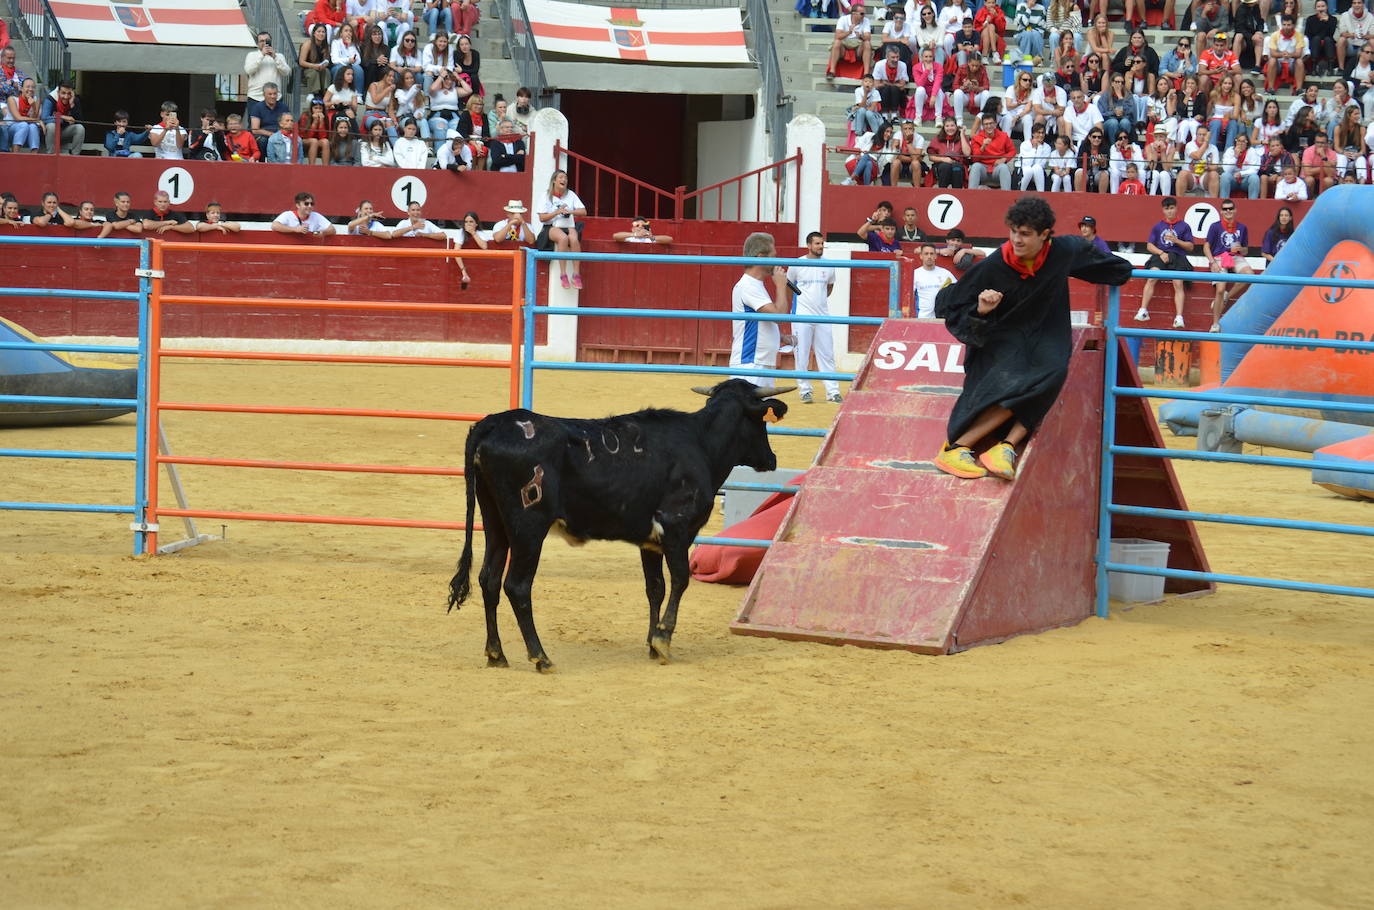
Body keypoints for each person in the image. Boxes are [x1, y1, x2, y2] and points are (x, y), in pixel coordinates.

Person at [933, 196, 1131, 481]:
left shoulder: (1064, 251)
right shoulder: (994, 265)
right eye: (1014, 231)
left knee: (1054, 371)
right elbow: (950, 307)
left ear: (1045, 235)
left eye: (1025, 234)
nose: (1017, 239)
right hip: (1001, 337)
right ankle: (955, 448)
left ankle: (1005, 447)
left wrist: (1130, 271)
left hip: (1046, 333)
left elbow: (1111, 266)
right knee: (1022, 377)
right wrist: (980, 309)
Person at [730, 232, 792, 386]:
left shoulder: (754, 285)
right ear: (760, 257)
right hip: (751, 363)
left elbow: (759, 321)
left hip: (759, 361)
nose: (776, 261)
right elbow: (779, 317)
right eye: (773, 256)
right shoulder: (749, 286)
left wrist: (780, 337)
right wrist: (780, 286)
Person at [787, 231, 842, 404]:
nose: (820, 247)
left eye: (821, 243)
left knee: (827, 354)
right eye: (817, 243)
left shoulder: (829, 264)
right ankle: (805, 391)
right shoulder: (797, 264)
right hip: (802, 316)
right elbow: (787, 285)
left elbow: (830, 287)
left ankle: (833, 392)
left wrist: (819, 302)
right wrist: (793, 310)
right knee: (801, 354)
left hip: (823, 316)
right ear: (809, 245)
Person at [1135, 196, 1195, 328]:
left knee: (1178, 283)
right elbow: (1149, 246)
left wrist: (1176, 241)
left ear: (1176, 208)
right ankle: (1143, 310)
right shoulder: (1158, 226)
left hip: (1178, 255)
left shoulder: (1184, 226)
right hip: (1161, 254)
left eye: (1172, 208)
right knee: (1151, 277)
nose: (1170, 212)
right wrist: (1161, 253)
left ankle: (1179, 317)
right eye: (1167, 209)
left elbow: (1190, 247)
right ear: (1163, 210)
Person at [1203, 200, 1253, 332]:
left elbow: (1246, 251)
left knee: (1250, 276)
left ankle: (1227, 296)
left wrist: (1241, 249)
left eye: (1230, 209)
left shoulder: (1242, 227)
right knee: (1220, 289)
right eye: (1225, 209)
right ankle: (1215, 323)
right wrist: (1212, 262)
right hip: (1219, 257)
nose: (1228, 211)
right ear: (1221, 211)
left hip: (1236, 256)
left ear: (1235, 210)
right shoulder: (1215, 226)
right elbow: (1206, 246)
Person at [537, 170, 587, 289]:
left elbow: (583, 211)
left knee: (574, 239)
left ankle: (576, 274)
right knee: (563, 238)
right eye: (560, 177)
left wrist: (570, 211)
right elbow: (542, 218)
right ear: (554, 180)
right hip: (552, 226)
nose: (563, 180)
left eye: (565, 178)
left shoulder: (571, 194)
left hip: (568, 224)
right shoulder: (546, 195)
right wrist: (557, 212)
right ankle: (563, 274)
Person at [827, 4, 874, 79]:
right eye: (861, 14)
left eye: (864, 13)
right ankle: (832, 71)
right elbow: (837, 36)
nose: (864, 16)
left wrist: (861, 36)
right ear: (854, 13)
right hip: (844, 45)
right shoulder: (843, 19)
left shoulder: (866, 21)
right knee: (837, 42)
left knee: (867, 43)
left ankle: (866, 74)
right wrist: (849, 32)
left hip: (858, 47)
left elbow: (868, 37)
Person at [967, 113, 1014, 190]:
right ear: (982, 126)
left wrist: (1004, 159)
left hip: (997, 168)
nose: (989, 126)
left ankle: (1006, 196)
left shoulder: (1003, 136)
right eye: (986, 124)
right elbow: (974, 159)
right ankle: (971, 195)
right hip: (983, 169)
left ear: (995, 123)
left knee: (1004, 167)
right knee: (975, 166)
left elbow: (1012, 151)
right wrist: (983, 147)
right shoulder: (976, 138)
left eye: (991, 123)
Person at [245, 32, 292, 107]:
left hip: (275, 97)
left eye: (267, 40)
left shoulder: (279, 56)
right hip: (255, 97)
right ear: (257, 43)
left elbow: (286, 72)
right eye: (261, 41)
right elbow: (249, 70)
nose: (264, 43)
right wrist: (262, 55)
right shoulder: (252, 55)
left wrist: (275, 57)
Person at [911, 241, 955, 319]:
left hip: (941, 319)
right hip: (922, 319)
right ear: (921, 256)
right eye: (926, 254)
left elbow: (957, 290)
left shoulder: (945, 273)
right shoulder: (915, 274)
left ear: (935, 256)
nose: (929, 256)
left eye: (931, 254)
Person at [40, 81, 84, 154]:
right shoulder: (50, 99)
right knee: (51, 126)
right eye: (63, 93)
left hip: (65, 132)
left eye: (69, 93)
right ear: (58, 92)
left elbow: (81, 121)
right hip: (50, 134)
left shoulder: (74, 100)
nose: (66, 97)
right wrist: (63, 118)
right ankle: (51, 155)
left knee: (80, 128)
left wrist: (72, 104)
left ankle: (75, 156)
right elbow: (44, 119)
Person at [271, 192, 337, 236]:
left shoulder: (316, 215)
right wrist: (295, 229)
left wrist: (322, 233)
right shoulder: (288, 215)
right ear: (298, 205)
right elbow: (274, 226)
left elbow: (332, 230)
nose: (310, 206)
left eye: (312, 204)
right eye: (306, 204)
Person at [1337, 0, 1372, 71]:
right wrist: (1351, 35)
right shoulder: (1345, 15)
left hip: (1364, 45)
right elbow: (1342, 33)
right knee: (1341, 40)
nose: (1356, 5)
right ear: (1352, 5)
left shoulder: (1370, 16)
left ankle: (1372, 68)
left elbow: (1372, 35)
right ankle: (1341, 68)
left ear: (1363, 4)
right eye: (1354, 3)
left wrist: (1363, 36)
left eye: (1359, 3)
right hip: (1350, 45)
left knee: (1373, 41)